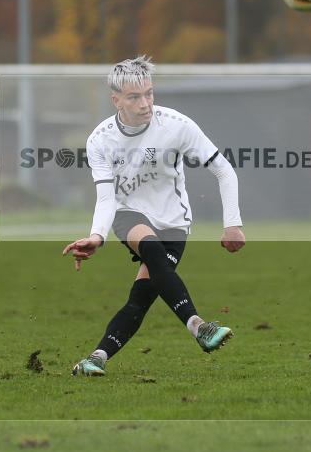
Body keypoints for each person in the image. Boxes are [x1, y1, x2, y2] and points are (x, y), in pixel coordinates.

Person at [62, 55, 245, 376]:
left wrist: (233, 223)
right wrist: (97, 236)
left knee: (140, 299)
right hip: (127, 214)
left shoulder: (177, 126)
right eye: (134, 97)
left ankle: (95, 358)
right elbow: (106, 198)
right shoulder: (100, 140)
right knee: (152, 250)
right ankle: (199, 326)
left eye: (149, 93)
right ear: (115, 99)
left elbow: (224, 170)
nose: (145, 103)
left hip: (174, 222)